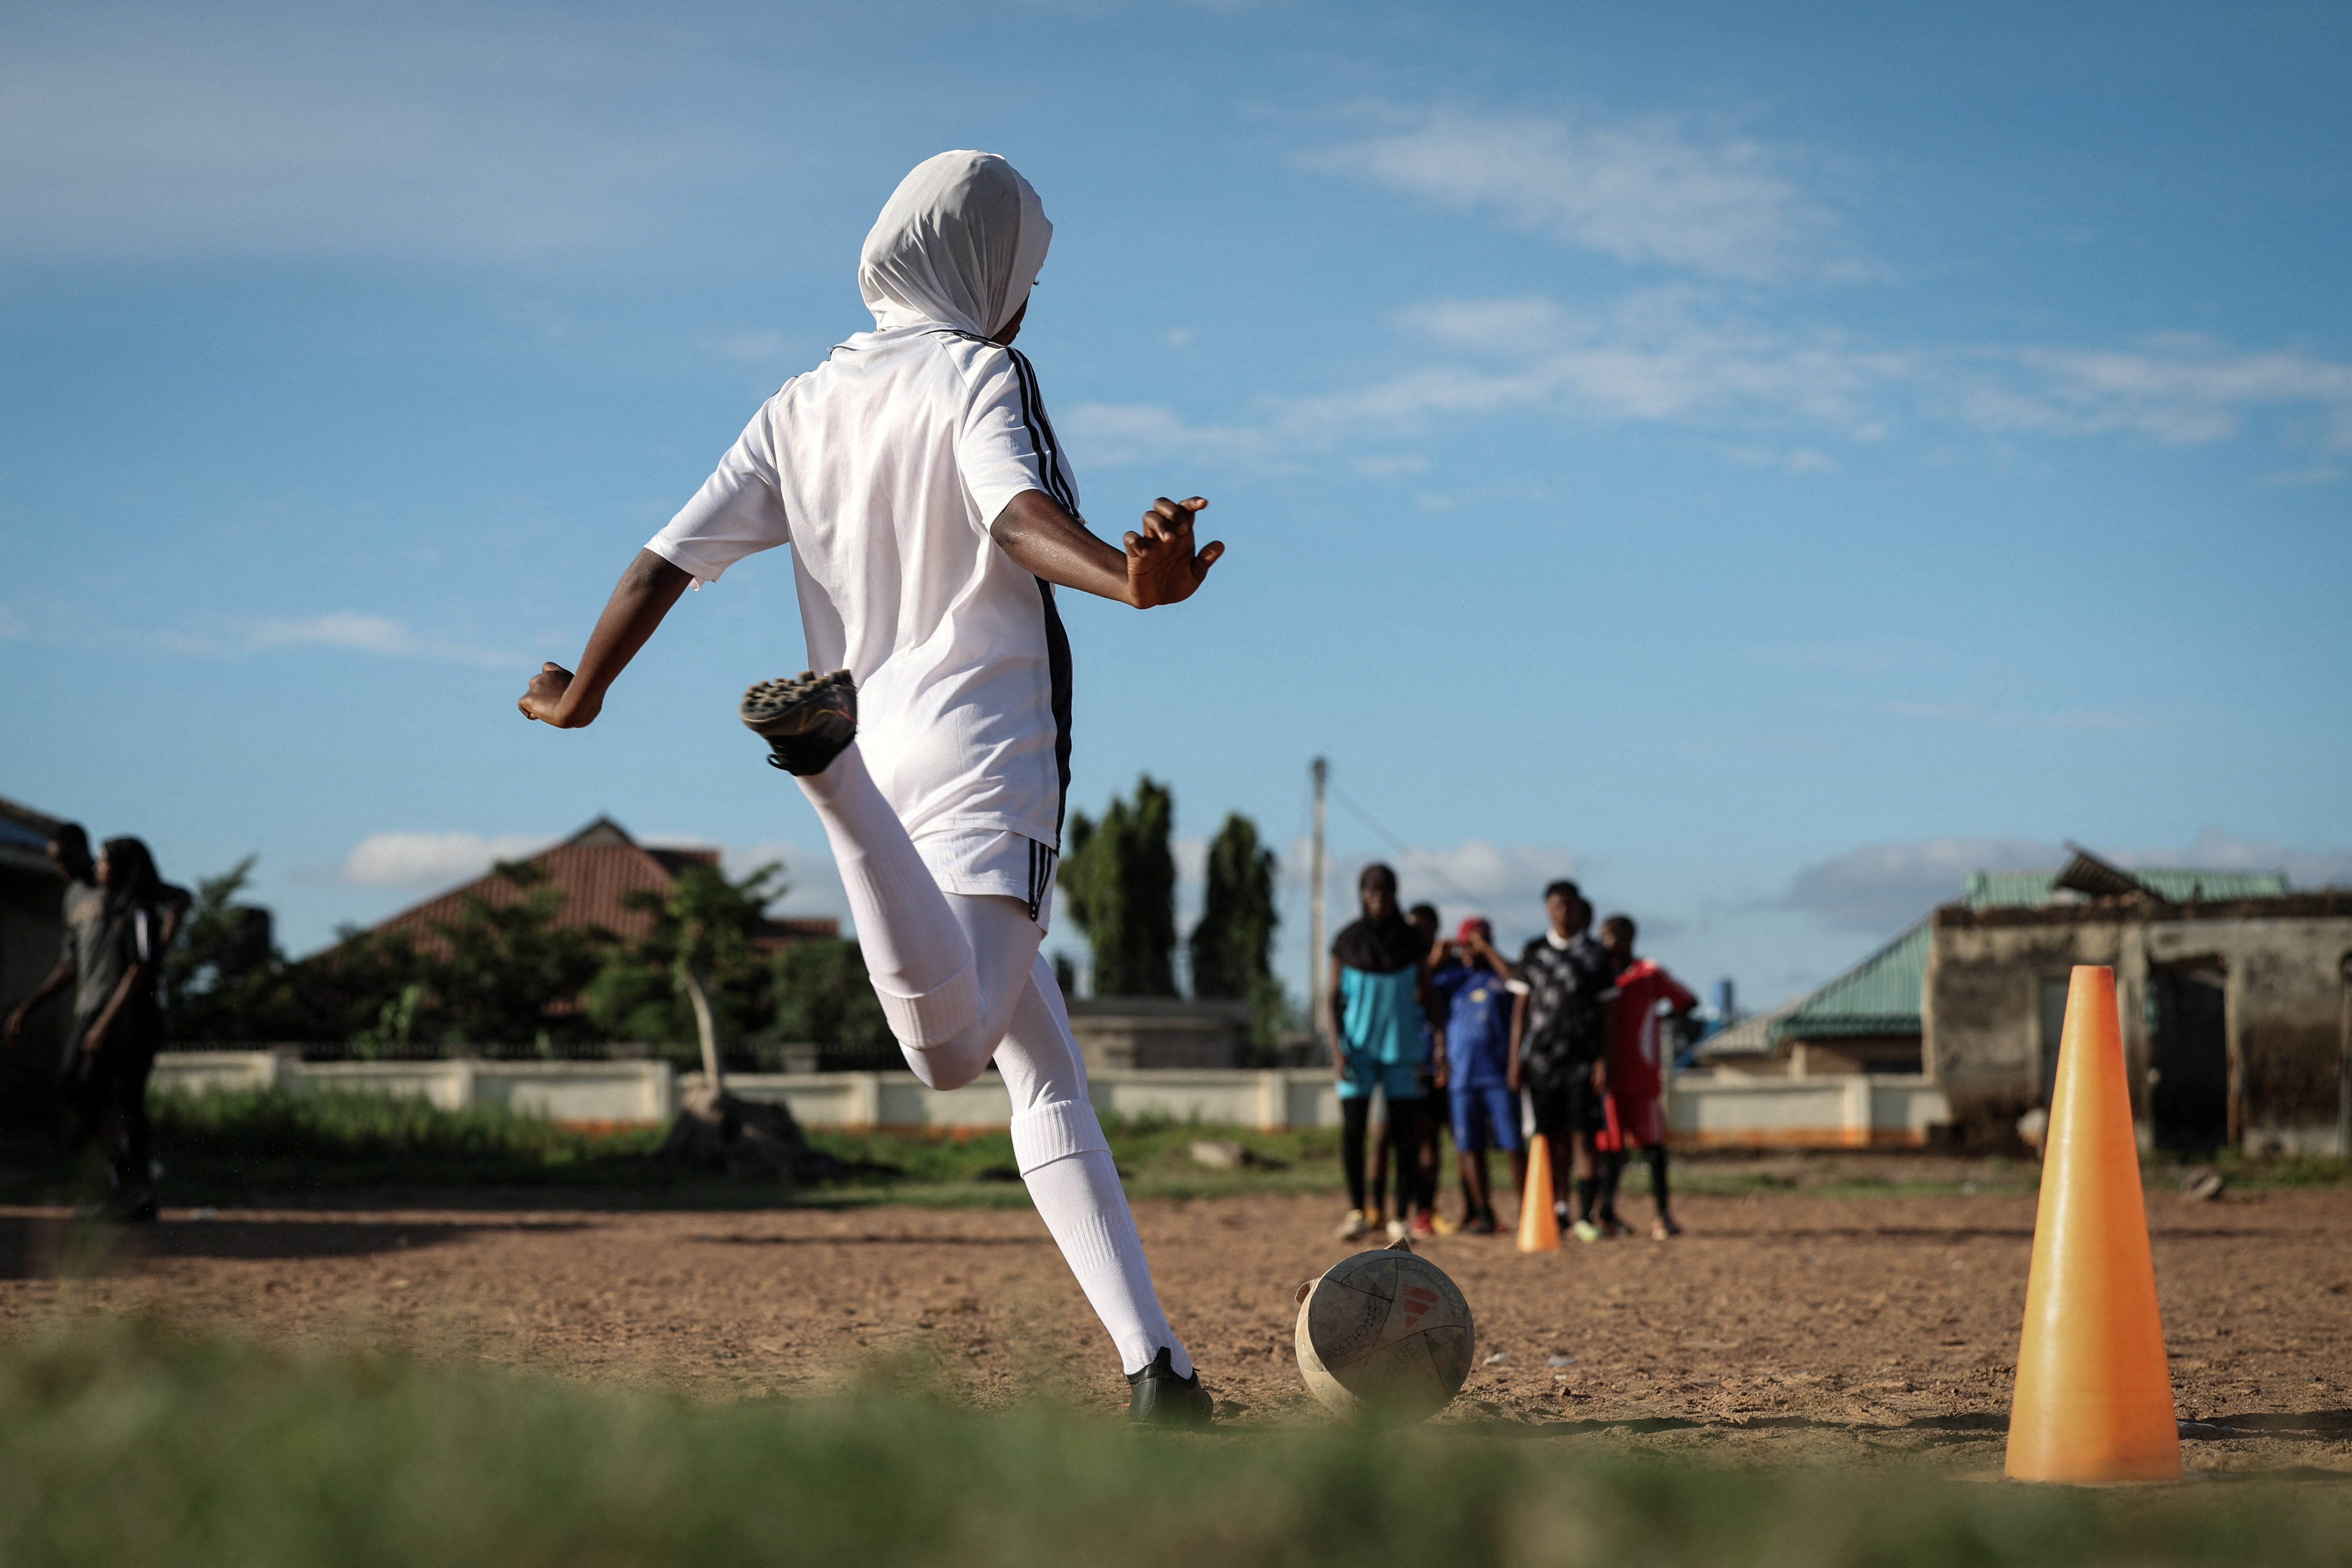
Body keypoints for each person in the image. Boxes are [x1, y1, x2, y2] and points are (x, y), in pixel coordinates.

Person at [516, 151, 1220, 1424]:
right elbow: (1011, 510)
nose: (1026, 303)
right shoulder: (979, 372)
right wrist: (1130, 581)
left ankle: (1158, 1368)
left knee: (1041, 1072)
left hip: (897, 774)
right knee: (951, 1047)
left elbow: (666, 557)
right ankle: (819, 768)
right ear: (982, 267)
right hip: (978, 757)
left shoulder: (801, 403)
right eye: (1025, 276)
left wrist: (584, 691)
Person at [7, 832, 188, 1221]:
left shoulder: (136, 905)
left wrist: (160, 952)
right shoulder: (80, 898)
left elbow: (141, 964)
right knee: (78, 1087)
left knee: (124, 1096)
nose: (96, 868)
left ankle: (135, 1184)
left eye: (102, 861)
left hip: (127, 1012)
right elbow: (71, 962)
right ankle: (128, 1174)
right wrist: (30, 1006)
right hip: (92, 1009)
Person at [1327, 864, 1431, 1244]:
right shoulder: (1346, 942)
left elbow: (1429, 995)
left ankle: (1399, 1216)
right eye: (1371, 892)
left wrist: (1438, 1044)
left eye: (1385, 891)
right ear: (1362, 895)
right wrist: (1338, 1049)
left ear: (1394, 894)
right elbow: (1331, 1000)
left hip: (1401, 1050)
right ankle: (1359, 1211)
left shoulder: (1413, 942)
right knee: (1354, 1133)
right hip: (1357, 1052)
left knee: (1406, 1137)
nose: (1378, 898)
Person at [1513, 880, 1616, 1243]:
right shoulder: (1533, 952)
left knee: (1584, 1140)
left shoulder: (1596, 956)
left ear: (1579, 908)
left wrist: (1604, 1059)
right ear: (1548, 909)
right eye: (1558, 906)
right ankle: (1555, 1208)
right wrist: (1516, 1060)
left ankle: (1584, 1215)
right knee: (1547, 1140)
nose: (1564, 913)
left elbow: (1608, 1013)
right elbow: (1520, 1011)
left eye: (1571, 906)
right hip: (1542, 1062)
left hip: (1583, 1063)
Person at [1597, 914, 1697, 1240]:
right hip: (1608, 1077)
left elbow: (1687, 1000)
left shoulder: (1649, 974)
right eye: (1606, 937)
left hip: (1642, 1075)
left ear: (1629, 939)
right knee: (1611, 1149)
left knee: (1653, 1147)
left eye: (1615, 937)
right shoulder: (1598, 975)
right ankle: (1606, 1213)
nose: (1610, 944)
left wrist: (1661, 1020)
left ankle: (1662, 1215)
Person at [1427, 917, 1525, 1234]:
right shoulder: (1452, 979)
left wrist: (1487, 950)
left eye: (1477, 943)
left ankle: (1528, 1210)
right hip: (1462, 1077)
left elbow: (1518, 981)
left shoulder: (1500, 977)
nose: (1471, 950)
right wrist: (1436, 958)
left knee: (1511, 1143)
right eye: (1466, 944)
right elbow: (1419, 992)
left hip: (1498, 1074)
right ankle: (1484, 1212)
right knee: (1469, 1146)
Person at [1371, 902, 1448, 1238]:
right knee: (1384, 1136)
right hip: (1397, 1062)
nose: (1417, 935)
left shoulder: (1448, 968)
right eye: (1412, 928)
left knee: (1427, 1140)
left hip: (1429, 1066)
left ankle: (1424, 1212)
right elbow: (1416, 993)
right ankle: (1375, 1208)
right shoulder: (1401, 965)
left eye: (1424, 929)